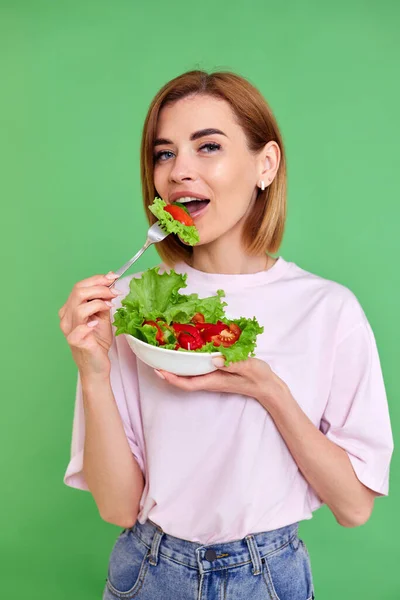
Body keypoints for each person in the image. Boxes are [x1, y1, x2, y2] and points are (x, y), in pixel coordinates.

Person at [59, 70, 394, 600]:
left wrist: (268, 390)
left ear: (266, 165)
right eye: (164, 154)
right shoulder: (130, 307)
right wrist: (94, 372)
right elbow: (117, 508)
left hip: (269, 577)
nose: (178, 172)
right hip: (148, 573)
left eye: (207, 146)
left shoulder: (329, 310)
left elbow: (354, 507)